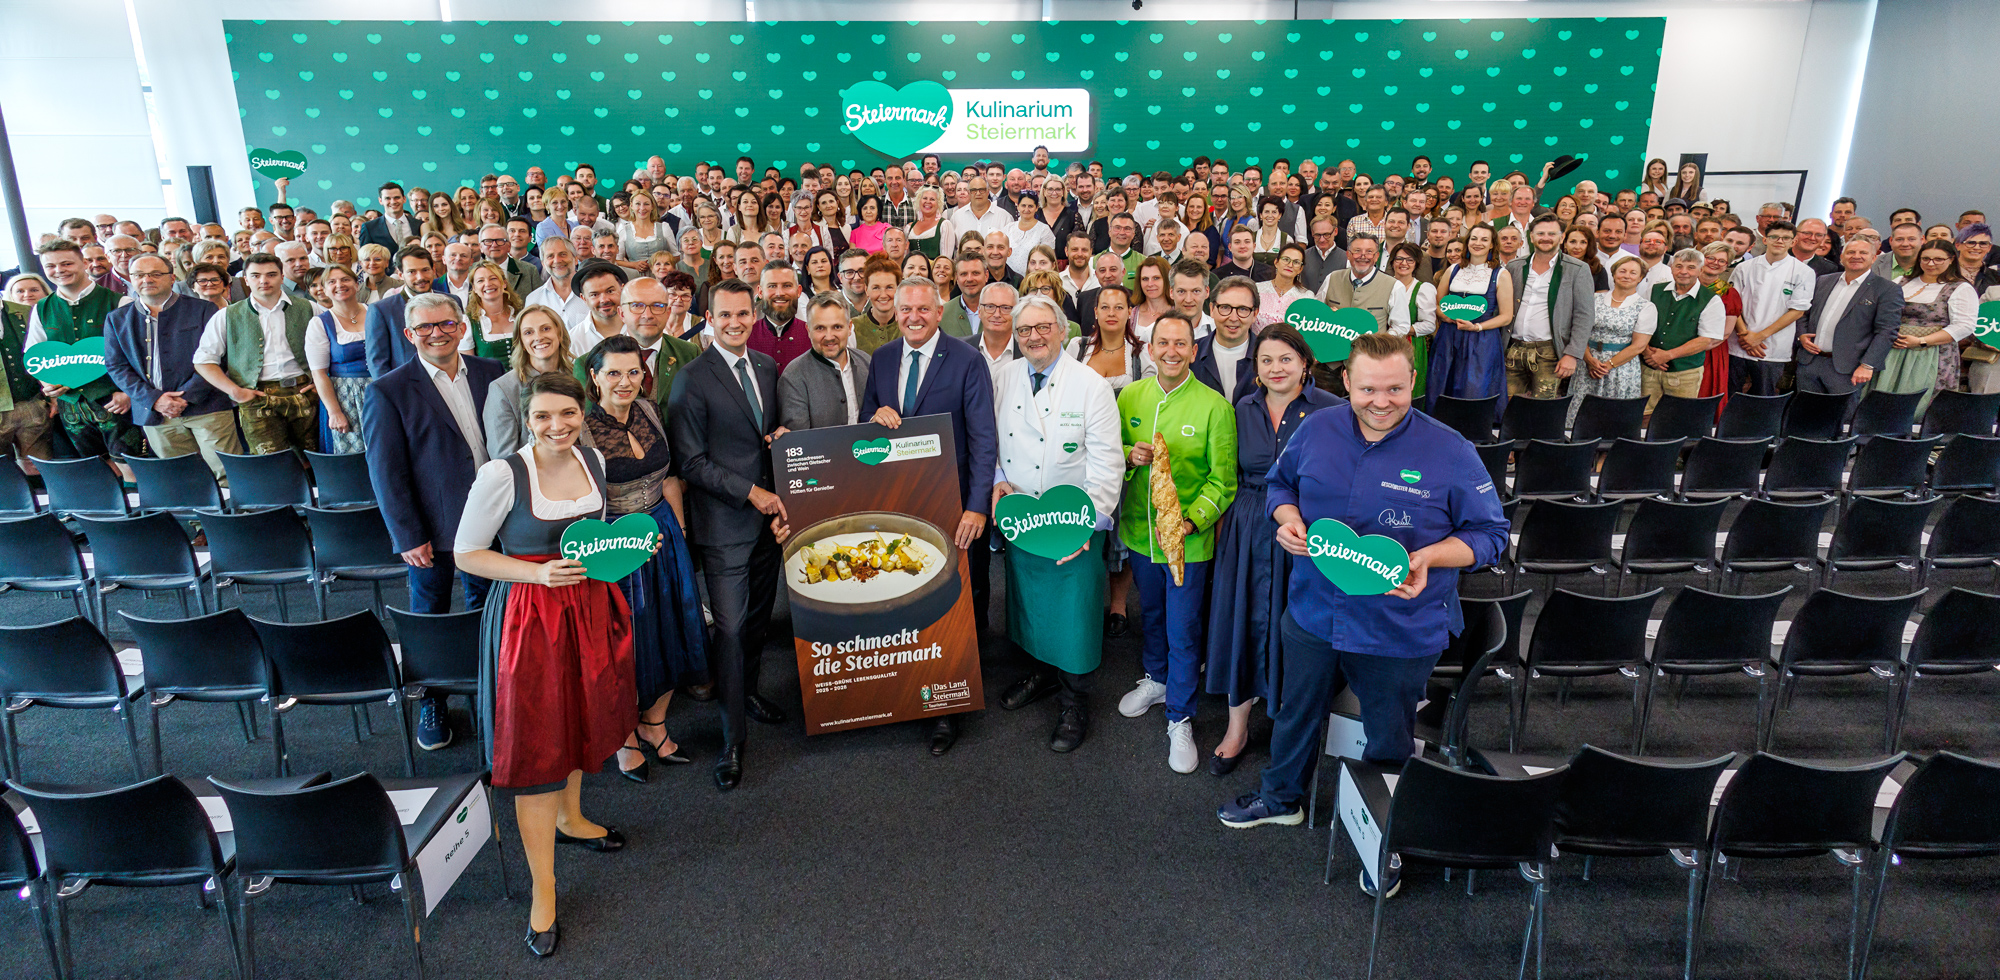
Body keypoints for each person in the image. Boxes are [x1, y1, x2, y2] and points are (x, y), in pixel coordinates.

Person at [1217, 333, 1509, 875]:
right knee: (1294, 712)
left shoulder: (1451, 450)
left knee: (1389, 736)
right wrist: (1288, 521)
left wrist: (1431, 557)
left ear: (1413, 382)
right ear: (1347, 382)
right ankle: (1281, 798)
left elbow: (1492, 535)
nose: (1381, 402)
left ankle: (1386, 833)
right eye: (1368, 389)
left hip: (1397, 625)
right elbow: (1280, 487)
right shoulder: (1316, 429)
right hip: (1313, 608)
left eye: (1394, 389)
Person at [454, 371, 635, 958]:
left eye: (568, 414)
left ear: (583, 413)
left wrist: (627, 550)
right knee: (536, 745)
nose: (557, 426)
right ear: (526, 419)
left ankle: (572, 818)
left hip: (587, 608)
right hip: (530, 618)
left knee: (580, 719)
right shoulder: (501, 474)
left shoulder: (593, 460)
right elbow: (467, 554)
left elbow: (596, 539)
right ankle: (544, 886)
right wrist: (535, 573)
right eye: (542, 417)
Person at [860, 276, 1000, 756]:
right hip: (900, 504)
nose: (914, 317)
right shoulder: (881, 359)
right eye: (906, 310)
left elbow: (983, 438)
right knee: (907, 593)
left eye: (923, 309)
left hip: (954, 504)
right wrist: (874, 419)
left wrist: (977, 506)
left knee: (957, 598)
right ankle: (909, 683)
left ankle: (949, 702)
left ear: (940, 312)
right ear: (894, 313)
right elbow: (863, 430)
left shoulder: (966, 359)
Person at [363, 292, 508, 749]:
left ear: (462, 328)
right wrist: (408, 535)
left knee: (488, 610)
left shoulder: (491, 371)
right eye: (424, 327)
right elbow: (386, 473)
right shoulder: (387, 390)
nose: (436, 333)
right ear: (409, 334)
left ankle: (491, 693)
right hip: (432, 528)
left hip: (494, 519)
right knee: (430, 615)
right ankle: (433, 698)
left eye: (446, 324)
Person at [1204, 325, 1343, 774]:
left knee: (1295, 623)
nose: (1276, 368)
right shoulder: (1241, 407)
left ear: (1305, 363)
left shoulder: (1332, 410)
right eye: (1266, 360)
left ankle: (1290, 723)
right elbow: (1226, 471)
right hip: (1247, 526)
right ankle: (1237, 727)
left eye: (1286, 359)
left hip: (1305, 528)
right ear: (1256, 368)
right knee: (1241, 621)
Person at [668, 278, 788, 790]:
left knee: (757, 621)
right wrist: (752, 493)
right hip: (723, 526)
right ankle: (731, 740)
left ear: (754, 315)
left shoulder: (766, 366)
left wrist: (781, 447)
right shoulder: (690, 379)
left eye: (743, 314)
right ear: (709, 319)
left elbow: (767, 440)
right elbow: (691, 462)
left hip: (768, 524)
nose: (735, 323)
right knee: (733, 629)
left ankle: (749, 692)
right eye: (725, 315)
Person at [991, 293, 1123, 752]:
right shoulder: (1004, 376)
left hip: (1072, 522)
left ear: (1063, 331)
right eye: (1024, 330)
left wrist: (1087, 524)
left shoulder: (1091, 386)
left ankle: (1074, 701)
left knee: (1074, 615)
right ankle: (1042, 673)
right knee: (1030, 604)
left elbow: (1108, 464)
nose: (1034, 337)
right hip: (1022, 519)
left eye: (1043, 327)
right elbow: (992, 441)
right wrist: (998, 480)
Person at [1113, 313, 1237, 774]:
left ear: (1193, 350)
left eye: (1180, 343)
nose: (1170, 351)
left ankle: (1180, 716)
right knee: (1153, 614)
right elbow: (1110, 453)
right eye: (1162, 342)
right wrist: (1129, 456)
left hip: (1188, 542)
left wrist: (1189, 523)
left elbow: (1223, 481)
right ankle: (1157, 678)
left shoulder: (1214, 407)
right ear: (1150, 349)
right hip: (1140, 535)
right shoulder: (1130, 396)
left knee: (1184, 628)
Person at [579, 336, 707, 782]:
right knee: (626, 644)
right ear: (594, 377)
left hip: (663, 532)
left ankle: (654, 723)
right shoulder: (582, 428)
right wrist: (610, 547)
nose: (625, 381)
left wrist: (679, 532)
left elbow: (669, 477)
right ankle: (623, 737)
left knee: (671, 630)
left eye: (633, 372)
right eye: (613, 372)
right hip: (613, 545)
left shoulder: (650, 411)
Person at [103, 253, 241, 478]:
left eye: (155, 274)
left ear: (172, 277)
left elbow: (220, 357)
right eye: (139, 275)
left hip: (207, 405)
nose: (147, 279)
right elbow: (116, 366)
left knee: (226, 474)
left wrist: (185, 396)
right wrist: (155, 399)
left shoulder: (202, 309)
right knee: (182, 477)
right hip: (155, 412)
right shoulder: (117, 318)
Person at [189, 252, 320, 455]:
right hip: (256, 396)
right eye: (256, 275)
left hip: (305, 392)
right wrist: (235, 391)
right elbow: (203, 361)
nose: (264, 281)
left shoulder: (310, 308)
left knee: (314, 458)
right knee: (270, 463)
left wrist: (322, 382)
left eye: (271, 275)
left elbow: (333, 349)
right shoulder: (226, 315)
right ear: (246, 280)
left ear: (282, 277)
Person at [25, 240, 140, 459]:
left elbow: (139, 355)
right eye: (50, 266)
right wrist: (47, 383)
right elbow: (34, 354)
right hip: (71, 405)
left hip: (116, 399)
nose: (59, 270)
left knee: (130, 465)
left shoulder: (121, 302)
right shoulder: (41, 308)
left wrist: (128, 392)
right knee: (95, 467)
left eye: (66, 263)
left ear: (85, 263)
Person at [1871, 240, 1976, 415]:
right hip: (1892, 351)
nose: (1931, 263)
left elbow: (1964, 326)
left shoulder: (1959, 288)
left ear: (1951, 259)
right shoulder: (1901, 281)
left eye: (1938, 259)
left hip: (1932, 353)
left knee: (1920, 405)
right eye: (1925, 259)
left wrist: (1921, 341)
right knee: (1884, 402)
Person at [1502, 214, 1595, 400]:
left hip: (1550, 353)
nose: (1546, 238)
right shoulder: (1514, 266)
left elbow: (1584, 316)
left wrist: (1572, 354)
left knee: (1543, 410)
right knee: (1508, 407)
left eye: (1552, 234)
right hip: (1512, 349)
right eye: (1540, 233)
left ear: (1562, 238)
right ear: (1531, 237)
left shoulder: (1578, 269)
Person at [1795, 238, 1903, 395]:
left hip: (1849, 368)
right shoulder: (1823, 280)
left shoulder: (1887, 289)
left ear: (1873, 258)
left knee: (1843, 410)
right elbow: (1804, 312)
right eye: (1851, 252)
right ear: (1842, 257)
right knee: (1806, 409)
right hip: (1809, 362)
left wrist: (1867, 365)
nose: (1856, 256)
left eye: (1863, 253)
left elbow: (1887, 331)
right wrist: (1801, 335)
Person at [1425, 225, 1515, 411]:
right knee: (1442, 386)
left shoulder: (1501, 274)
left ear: (1492, 245)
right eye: (1474, 238)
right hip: (1449, 337)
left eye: (1484, 239)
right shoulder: (1453, 270)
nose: (1478, 243)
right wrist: (1447, 318)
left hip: (1481, 341)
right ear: (1468, 242)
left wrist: (1477, 327)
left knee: (1475, 389)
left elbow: (1506, 316)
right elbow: (1437, 305)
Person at [1726, 221, 1816, 396]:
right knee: (1729, 397)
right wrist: (1745, 335)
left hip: (1771, 349)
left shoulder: (1803, 272)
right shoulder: (1744, 268)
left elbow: (1797, 311)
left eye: (1785, 238)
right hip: (1738, 345)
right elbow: (1732, 304)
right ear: (1765, 239)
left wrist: (1759, 337)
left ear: (1793, 242)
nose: (1779, 241)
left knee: (1763, 399)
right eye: (1774, 236)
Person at [1566, 256, 1655, 426]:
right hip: (1587, 363)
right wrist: (1589, 360)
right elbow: (1579, 331)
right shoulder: (1594, 299)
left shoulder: (1645, 307)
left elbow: (1638, 346)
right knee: (1582, 417)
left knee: (1614, 420)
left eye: (1633, 273)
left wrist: (1607, 366)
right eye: (1622, 271)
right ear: (1613, 274)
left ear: (1640, 278)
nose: (1626, 275)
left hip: (1620, 369)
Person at [1638, 249, 1727, 412]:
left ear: (1700, 270)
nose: (1683, 272)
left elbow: (1706, 340)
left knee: (1678, 417)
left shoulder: (1711, 300)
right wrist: (1646, 352)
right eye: (1678, 266)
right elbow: (1638, 324)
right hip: (1648, 367)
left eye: (1691, 267)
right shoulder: (1654, 290)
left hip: (1686, 373)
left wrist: (1667, 355)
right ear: (1671, 268)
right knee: (1644, 414)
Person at [484, 305, 576, 457]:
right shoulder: (503, 388)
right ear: (521, 342)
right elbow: (503, 457)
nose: (538, 337)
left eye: (546, 329)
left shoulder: (578, 375)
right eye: (528, 332)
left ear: (559, 333)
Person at [303, 263, 374, 454]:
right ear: (325, 290)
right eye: (332, 282)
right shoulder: (320, 323)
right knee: (354, 454)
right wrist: (334, 411)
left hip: (381, 391)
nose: (339, 285)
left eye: (345, 279)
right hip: (346, 398)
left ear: (357, 284)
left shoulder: (375, 312)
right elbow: (319, 374)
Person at [778, 293, 871, 430]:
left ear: (849, 327)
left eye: (837, 327)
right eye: (820, 328)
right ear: (808, 330)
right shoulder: (793, 376)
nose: (829, 337)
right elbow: (799, 438)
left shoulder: (867, 362)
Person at [1387, 242, 1440, 400]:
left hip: (1410, 346)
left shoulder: (1423, 289)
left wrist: (1399, 329)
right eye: (1399, 259)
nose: (1404, 263)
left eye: (1409, 260)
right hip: (1383, 345)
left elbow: (1429, 325)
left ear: (1416, 263)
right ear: (1392, 262)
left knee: (1408, 390)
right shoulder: (1384, 285)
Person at [1195, 276, 1260, 402]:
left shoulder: (1269, 357)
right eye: (1225, 307)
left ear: (1255, 314)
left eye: (1243, 309)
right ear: (1212, 309)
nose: (1233, 318)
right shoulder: (1192, 353)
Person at [747, 260, 810, 370]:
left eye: (787, 285)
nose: (779, 293)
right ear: (760, 292)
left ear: (798, 291)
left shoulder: (812, 335)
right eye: (772, 286)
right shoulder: (747, 336)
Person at [464, 261, 524, 362]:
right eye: (480, 281)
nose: (488, 284)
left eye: (493, 278)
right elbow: (469, 364)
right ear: (474, 288)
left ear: (504, 283)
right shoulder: (468, 322)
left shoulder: (520, 315)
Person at [851, 253, 903, 354]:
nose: (883, 295)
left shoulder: (907, 324)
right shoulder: (853, 328)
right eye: (876, 288)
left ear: (898, 289)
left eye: (889, 287)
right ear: (867, 290)